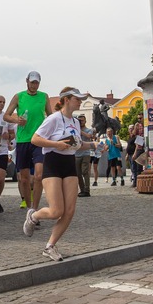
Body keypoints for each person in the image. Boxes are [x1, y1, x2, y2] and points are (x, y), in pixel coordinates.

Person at [23, 88, 98, 261]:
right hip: (53, 162)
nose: (79, 102)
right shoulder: (54, 118)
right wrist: (56, 144)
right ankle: (33, 216)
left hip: (69, 164)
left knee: (69, 211)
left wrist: (94, 145)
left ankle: (50, 246)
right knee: (56, 211)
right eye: (77, 99)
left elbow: (76, 145)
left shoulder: (75, 122)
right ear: (66, 100)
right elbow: (35, 139)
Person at [4, 71, 52, 210]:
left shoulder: (44, 97)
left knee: (39, 175)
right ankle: (28, 206)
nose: (34, 85)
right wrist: (16, 120)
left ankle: (35, 209)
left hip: (38, 139)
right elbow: (6, 116)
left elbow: (50, 116)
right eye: (32, 82)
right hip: (23, 140)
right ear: (27, 81)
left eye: (36, 82)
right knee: (24, 179)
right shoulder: (19, 97)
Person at [75, 114, 94, 197]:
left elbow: (89, 136)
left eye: (82, 120)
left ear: (85, 121)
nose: (80, 122)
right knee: (78, 173)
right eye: (79, 120)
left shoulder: (88, 130)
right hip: (76, 154)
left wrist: (79, 130)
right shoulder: (75, 130)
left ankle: (87, 190)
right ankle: (82, 190)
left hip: (85, 153)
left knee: (84, 171)